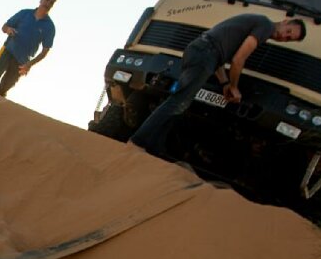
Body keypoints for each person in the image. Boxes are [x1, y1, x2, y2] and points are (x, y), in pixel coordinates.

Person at [129, 14, 306, 158]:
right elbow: (238, 60)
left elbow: (219, 56)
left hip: (201, 51)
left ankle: (154, 147)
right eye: (288, 30)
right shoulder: (265, 26)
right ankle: (137, 142)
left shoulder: (257, 23)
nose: (284, 36)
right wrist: (235, 88)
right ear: (284, 21)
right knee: (178, 102)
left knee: (182, 102)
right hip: (205, 54)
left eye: (289, 38)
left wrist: (225, 83)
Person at [0, 0, 57, 97]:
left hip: (22, 62)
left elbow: (45, 51)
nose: (48, 3)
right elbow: (4, 27)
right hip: (7, 50)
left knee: (3, 89)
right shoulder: (25, 13)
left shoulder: (50, 27)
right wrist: (8, 29)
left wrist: (30, 64)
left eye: (51, 2)